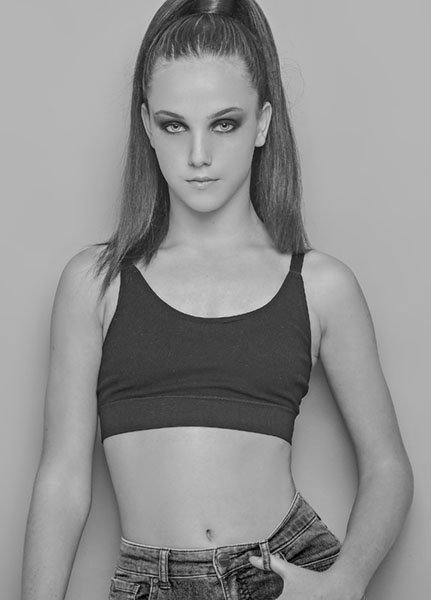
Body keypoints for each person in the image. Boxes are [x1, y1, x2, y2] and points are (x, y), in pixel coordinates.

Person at [21, 1, 414, 599]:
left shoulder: (320, 286)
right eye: (174, 125)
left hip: (282, 573)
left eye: (224, 123)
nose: (198, 154)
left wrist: (348, 581)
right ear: (147, 125)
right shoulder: (96, 282)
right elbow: (63, 481)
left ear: (262, 124)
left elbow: (388, 466)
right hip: (152, 584)